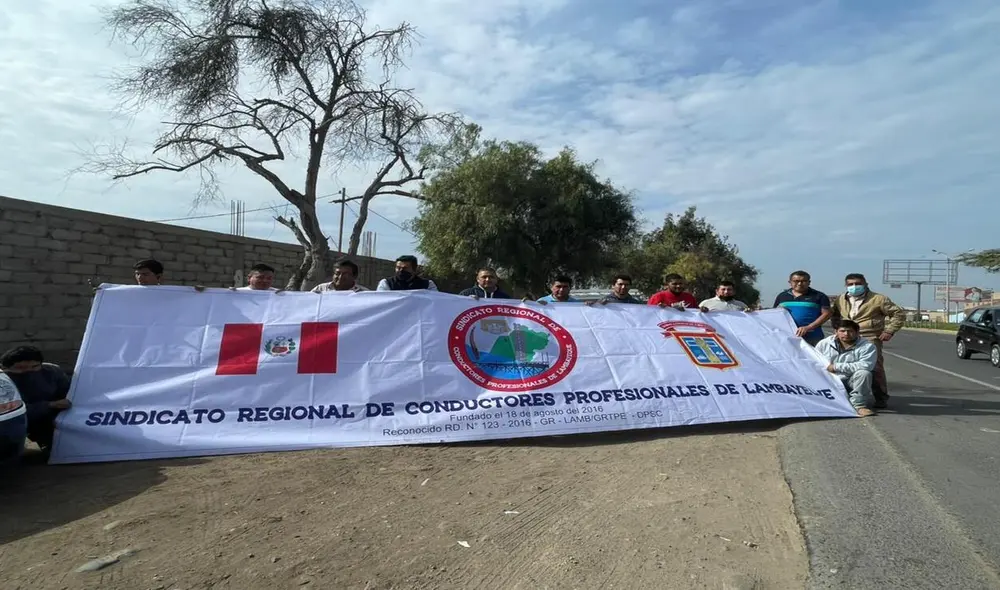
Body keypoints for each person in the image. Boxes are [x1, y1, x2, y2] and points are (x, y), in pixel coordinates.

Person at [829, 273, 906, 409]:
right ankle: (844, 394)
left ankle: (881, 398)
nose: (854, 287)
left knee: (875, 367)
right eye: (850, 284)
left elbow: (898, 314)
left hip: (869, 336)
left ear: (865, 284)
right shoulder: (841, 299)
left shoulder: (879, 299)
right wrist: (837, 329)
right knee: (840, 363)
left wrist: (889, 330)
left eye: (858, 284)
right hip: (846, 336)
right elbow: (834, 315)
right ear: (846, 286)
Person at [0, 346, 72, 451]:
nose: (29, 371)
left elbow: (67, 393)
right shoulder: (3, 381)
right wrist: (49, 405)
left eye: (34, 366)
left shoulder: (52, 372)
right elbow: (10, 412)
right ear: (5, 368)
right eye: (21, 368)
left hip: (49, 417)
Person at [815, 320, 877, 417]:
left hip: (850, 381)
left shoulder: (867, 346)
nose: (846, 334)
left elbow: (866, 365)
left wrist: (836, 367)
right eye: (842, 331)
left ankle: (859, 406)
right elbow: (815, 361)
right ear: (836, 332)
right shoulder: (824, 344)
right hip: (829, 380)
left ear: (857, 332)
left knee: (864, 373)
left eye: (850, 331)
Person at [773, 270, 831, 346]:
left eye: (804, 281)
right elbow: (774, 314)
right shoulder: (782, 296)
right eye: (796, 281)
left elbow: (827, 313)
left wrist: (808, 327)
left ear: (809, 282)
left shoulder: (819, 296)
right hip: (787, 337)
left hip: (812, 337)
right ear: (790, 282)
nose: (800, 284)